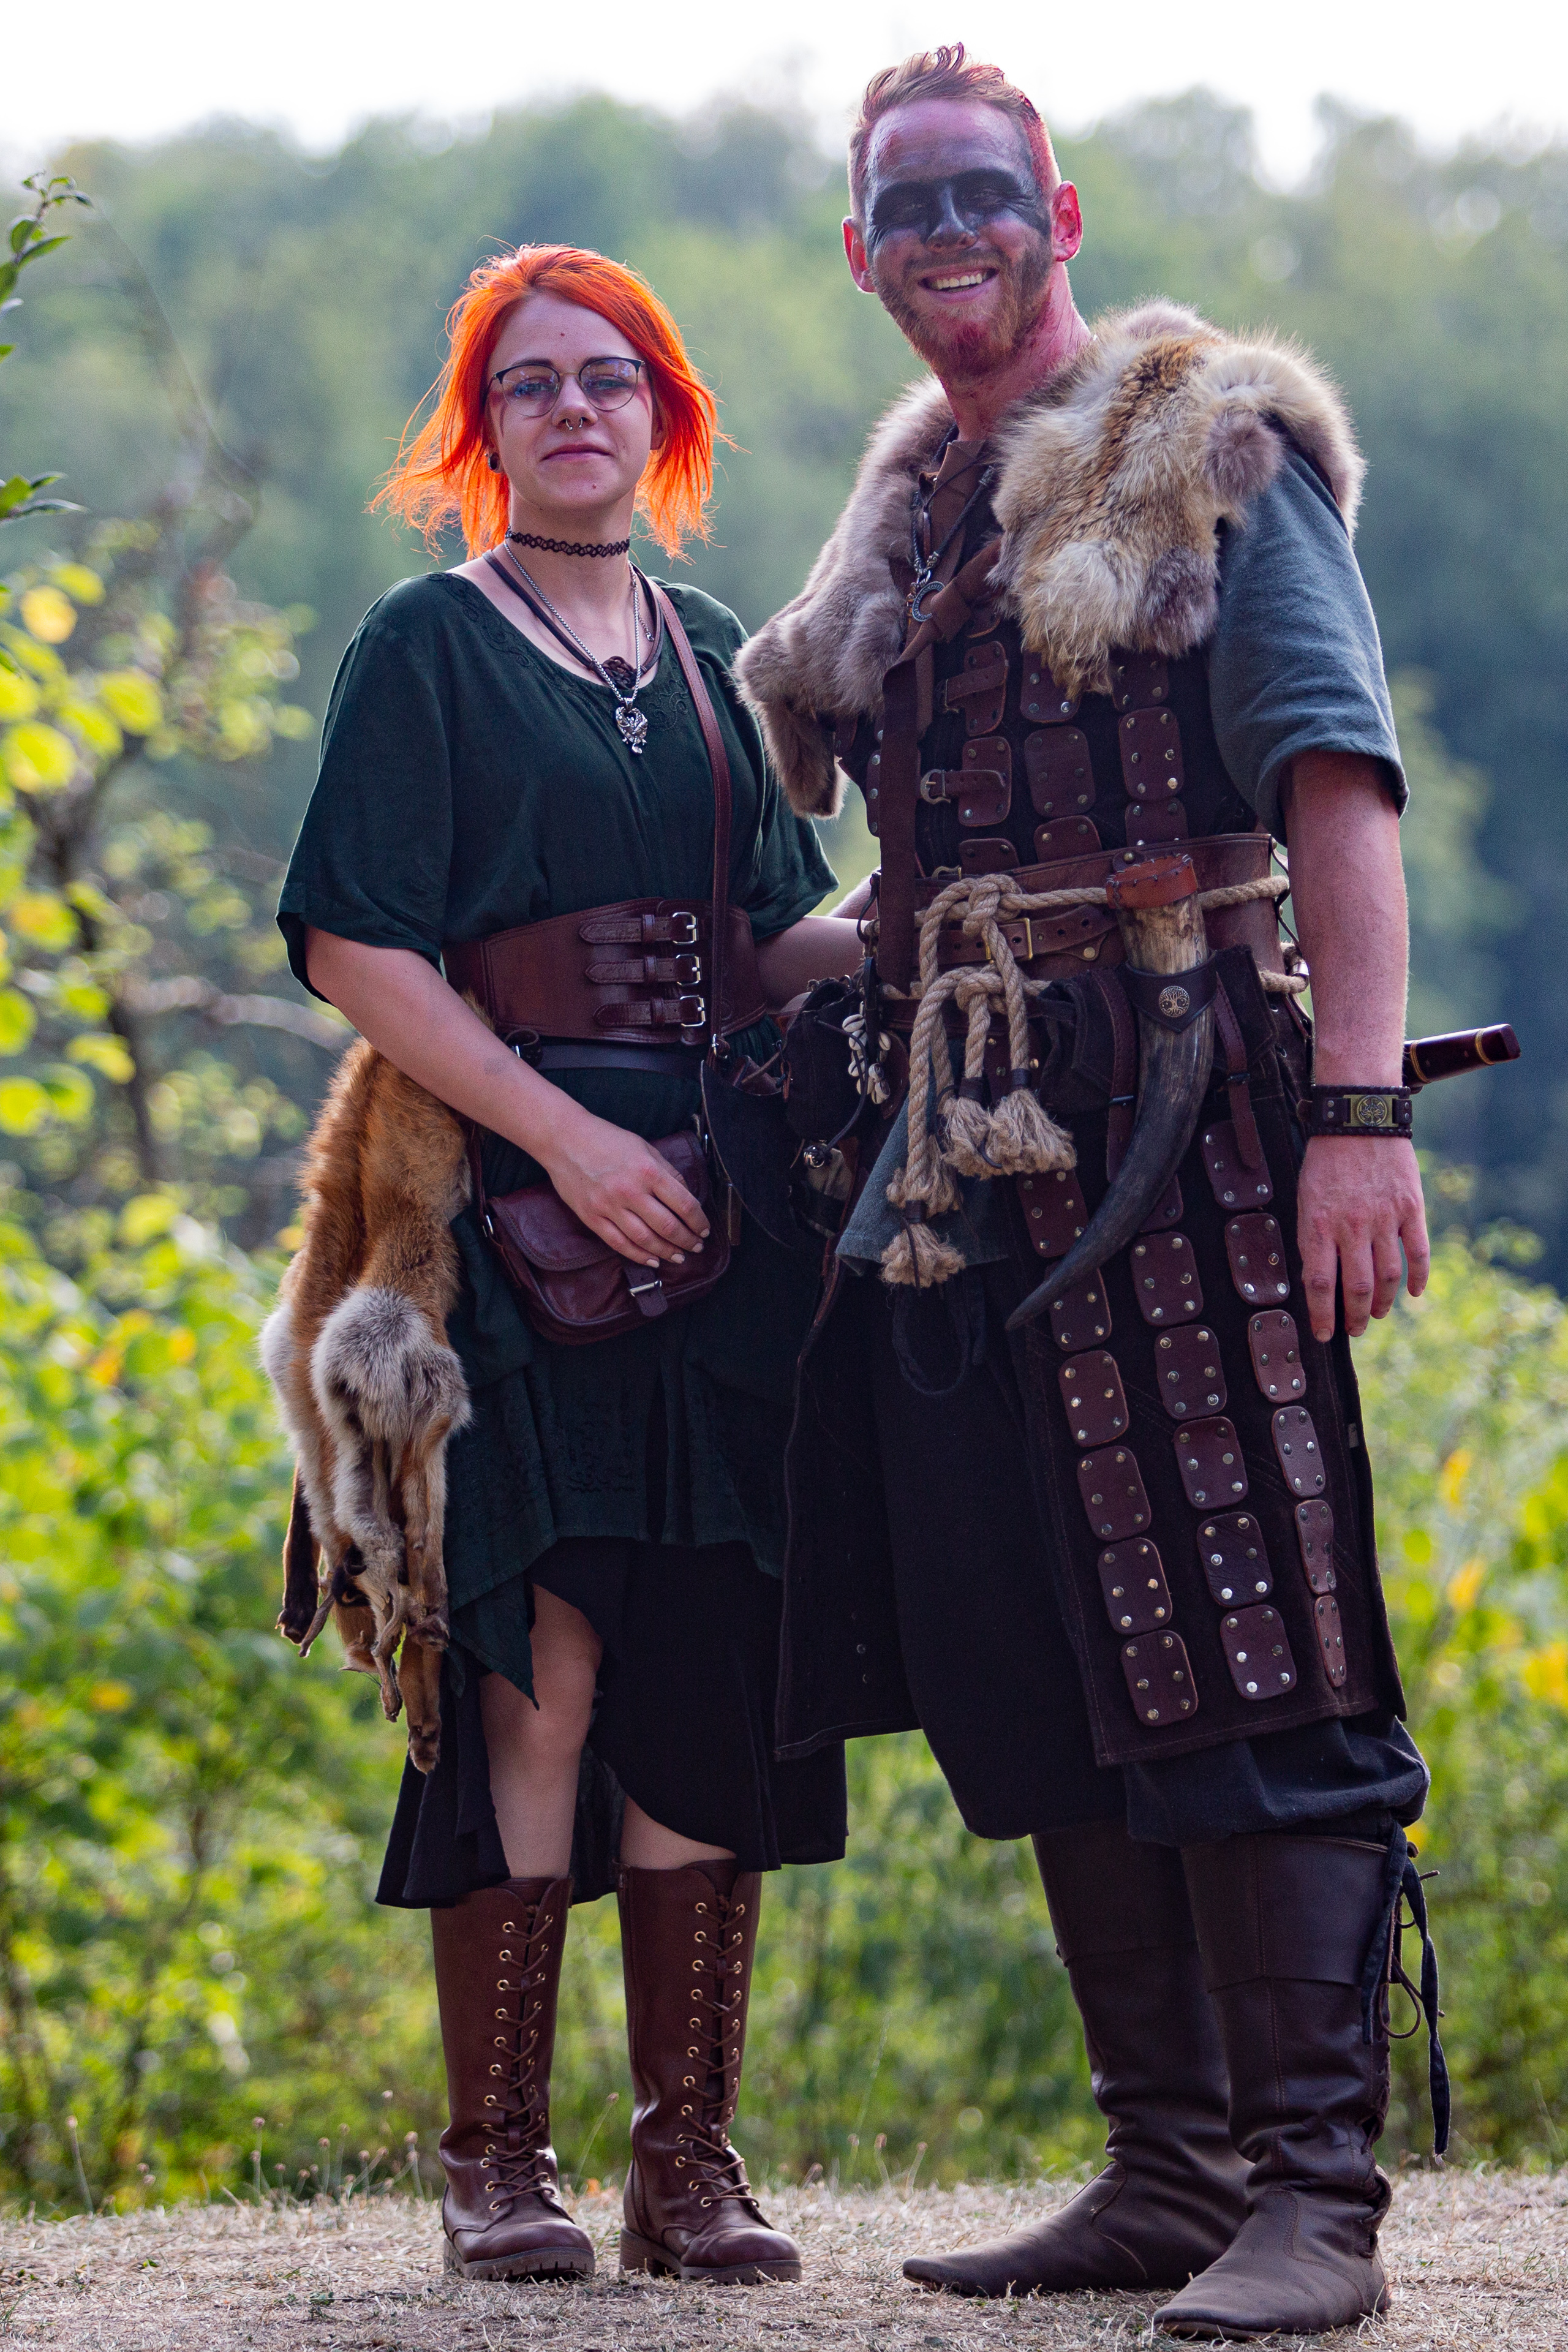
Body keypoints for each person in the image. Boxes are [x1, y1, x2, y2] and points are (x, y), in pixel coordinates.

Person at [737, 48, 1446, 2339]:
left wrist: (1362, 1120)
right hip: (958, 1150)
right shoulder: (909, 521)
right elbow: (925, 883)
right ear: (862, 253)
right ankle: (1169, 2165)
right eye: (903, 209)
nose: (945, 237)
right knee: (1035, 1639)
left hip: (1188, 1116)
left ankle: (1313, 2196)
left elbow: (1333, 781)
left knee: (1250, 1618)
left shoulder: (1204, 442)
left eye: (981, 195)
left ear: (1054, 210)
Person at [270, 243, 861, 2288]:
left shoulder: (709, 653)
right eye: (531, 385)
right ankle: (497, 2165)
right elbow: (356, 942)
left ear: (664, 415)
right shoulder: (427, 643)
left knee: (707, 1658)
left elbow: (771, 940)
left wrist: (947, 906)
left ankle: (686, 2167)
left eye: (611, 379)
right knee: (542, 1662)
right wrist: (569, 1142)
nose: (576, 410)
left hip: (723, 1211)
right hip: (514, 1208)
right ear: (485, 430)